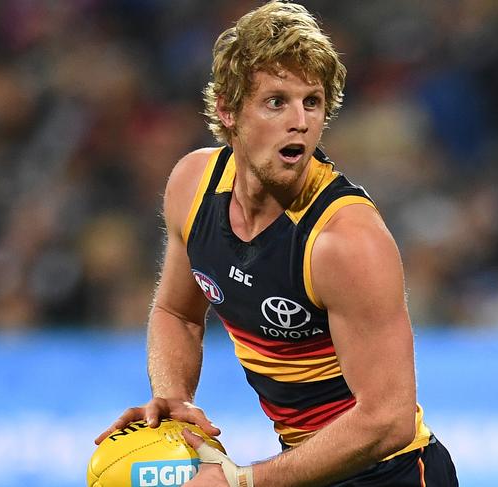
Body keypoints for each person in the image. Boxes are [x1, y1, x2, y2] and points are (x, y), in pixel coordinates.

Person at [95, 1, 458, 486]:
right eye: (276, 102)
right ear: (227, 109)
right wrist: (175, 399)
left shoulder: (344, 240)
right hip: (304, 466)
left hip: (390, 474)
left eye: (312, 102)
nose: (300, 121)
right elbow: (177, 315)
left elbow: (387, 420)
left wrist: (242, 481)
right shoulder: (192, 187)